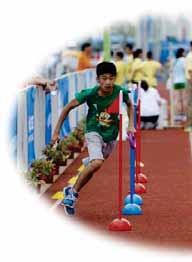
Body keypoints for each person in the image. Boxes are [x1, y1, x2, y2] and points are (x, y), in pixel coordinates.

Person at [52, 62, 135, 215]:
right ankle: (73, 194)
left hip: (111, 135)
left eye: (111, 78)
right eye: (104, 78)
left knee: (94, 167)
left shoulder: (120, 92)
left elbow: (130, 105)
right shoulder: (89, 93)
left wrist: (130, 125)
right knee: (96, 162)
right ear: (98, 80)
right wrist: (56, 132)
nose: (108, 82)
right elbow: (67, 108)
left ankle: (71, 190)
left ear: (115, 79)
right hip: (93, 131)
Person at [172, 48, 187, 121]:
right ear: (182, 53)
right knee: (184, 99)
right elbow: (186, 70)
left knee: (177, 99)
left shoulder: (174, 61)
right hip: (183, 81)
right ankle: (183, 115)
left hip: (175, 82)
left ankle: (177, 115)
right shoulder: (183, 60)